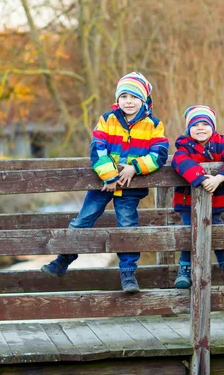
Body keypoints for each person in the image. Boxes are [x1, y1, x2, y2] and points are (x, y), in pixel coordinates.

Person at [41, 72, 169, 293]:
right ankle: (63, 259)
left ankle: (128, 274)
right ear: (118, 99)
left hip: (130, 188)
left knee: (128, 227)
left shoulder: (153, 125)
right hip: (102, 184)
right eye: (124, 96)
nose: (128, 101)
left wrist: (134, 168)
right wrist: (109, 176)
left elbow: (159, 154)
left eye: (134, 97)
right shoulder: (107, 120)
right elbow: (98, 148)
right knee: (83, 220)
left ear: (144, 100)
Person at [171, 105, 224, 288]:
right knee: (189, 233)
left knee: (217, 233)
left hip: (215, 202)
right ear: (189, 129)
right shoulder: (184, 146)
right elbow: (179, 161)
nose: (201, 128)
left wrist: (220, 177)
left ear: (213, 126)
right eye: (195, 125)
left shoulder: (221, 144)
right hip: (188, 202)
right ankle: (185, 270)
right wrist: (202, 178)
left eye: (205, 124)